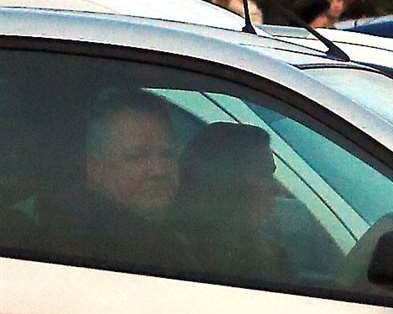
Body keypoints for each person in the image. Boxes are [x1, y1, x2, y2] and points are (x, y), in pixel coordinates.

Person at [39, 91, 186, 272]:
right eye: (137, 156)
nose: (159, 170)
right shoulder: (71, 244)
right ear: (95, 168)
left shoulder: (185, 235)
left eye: (167, 154)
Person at [177, 123, 289, 285]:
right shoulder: (175, 257)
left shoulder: (266, 252)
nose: (278, 189)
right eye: (262, 174)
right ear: (225, 181)